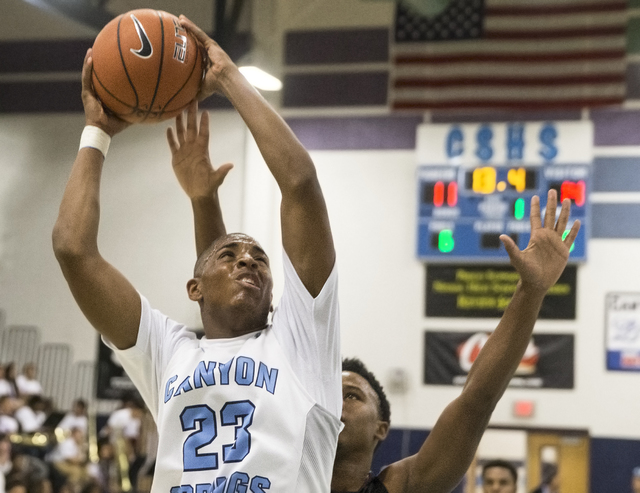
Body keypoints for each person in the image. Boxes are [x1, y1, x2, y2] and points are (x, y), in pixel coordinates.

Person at [52, 14, 341, 493]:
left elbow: (301, 186)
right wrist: (96, 133)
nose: (248, 259)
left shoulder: (301, 343)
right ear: (194, 289)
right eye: (231, 255)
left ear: (274, 297)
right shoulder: (167, 352)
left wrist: (229, 78)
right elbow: (73, 249)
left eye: (260, 258)